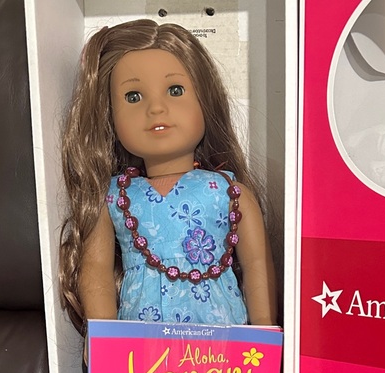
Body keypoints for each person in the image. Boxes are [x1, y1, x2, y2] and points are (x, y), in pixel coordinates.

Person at [59, 19, 277, 333]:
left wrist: (265, 328)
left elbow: (257, 263)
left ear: (205, 100)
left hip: (220, 343)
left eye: (175, 91)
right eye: (133, 97)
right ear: (109, 115)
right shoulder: (116, 196)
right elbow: (96, 268)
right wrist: (101, 336)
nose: (156, 108)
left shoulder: (229, 191)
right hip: (141, 344)